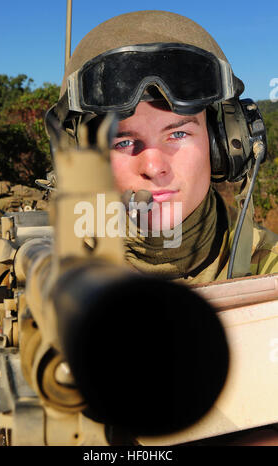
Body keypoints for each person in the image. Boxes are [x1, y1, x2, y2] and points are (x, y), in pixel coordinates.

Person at [49, 10, 278, 445]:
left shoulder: (271, 273)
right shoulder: (41, 282)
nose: (153, 167)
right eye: (123, 141)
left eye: (178, 133)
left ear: (224, 142)